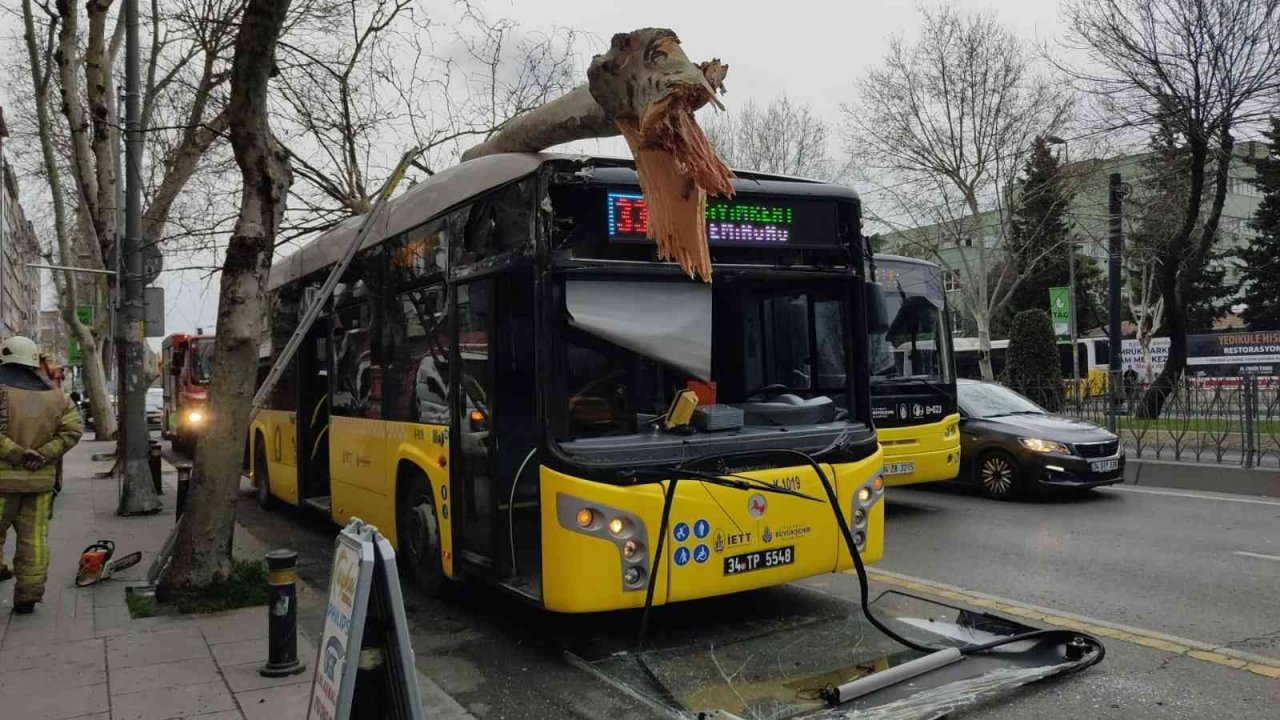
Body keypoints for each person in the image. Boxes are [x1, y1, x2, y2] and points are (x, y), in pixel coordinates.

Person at [0, 336, 83, 614]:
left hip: (2, 483)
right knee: (34, 539)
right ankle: (28, 597)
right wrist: (44, 454)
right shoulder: (57, 396)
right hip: (40, 483)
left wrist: (17, 453)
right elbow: (73, 431)